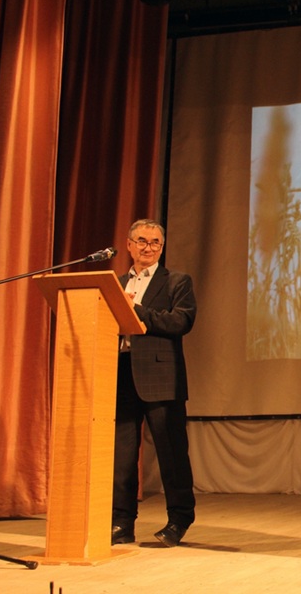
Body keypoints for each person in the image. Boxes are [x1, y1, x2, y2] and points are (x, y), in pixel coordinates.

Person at [112, 219, 198, 548]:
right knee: (121, 457)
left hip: (162, 378)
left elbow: (181, 321)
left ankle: (179, 518)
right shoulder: (116, 283)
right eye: (142, 241)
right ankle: (121, 522)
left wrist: (137, 311)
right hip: (120, 374)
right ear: (129, 245)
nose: (148, 248)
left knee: (171, 453)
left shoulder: (176, 281)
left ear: (162, 247)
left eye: (155, 243)